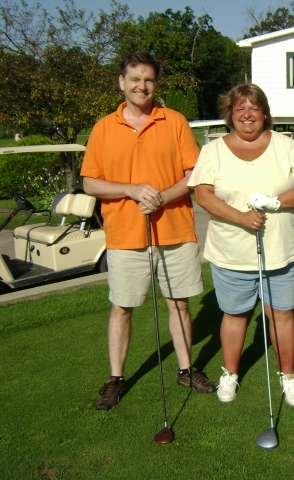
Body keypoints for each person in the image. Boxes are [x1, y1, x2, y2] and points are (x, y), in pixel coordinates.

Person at [81, 51, 216, 411]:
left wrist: (162, 197)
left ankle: (186, 369)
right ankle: (116, 378)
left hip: (174, 231)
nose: (143, 86)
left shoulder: (174, 121)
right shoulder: (103, 128)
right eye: (135, 79)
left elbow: (194, 174)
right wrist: (129, 189)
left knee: (179, 304)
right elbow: (90, 183)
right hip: (125, 234)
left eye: (149, 80)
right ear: (121, 82)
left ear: (156, 84)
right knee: (122, 307)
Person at [188, 83, 294, 406]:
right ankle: (230, 374)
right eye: (239, 109)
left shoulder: (286, 145)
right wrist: (241, 217)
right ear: (229, 115)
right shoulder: (213, 150)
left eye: (254, 108)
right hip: (231, 252)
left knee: (281, 313)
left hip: (280, 251)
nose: (247, 114)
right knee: (235, 314)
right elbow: (202, 195)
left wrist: (273, 203)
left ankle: (288, 376)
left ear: (265, 114)